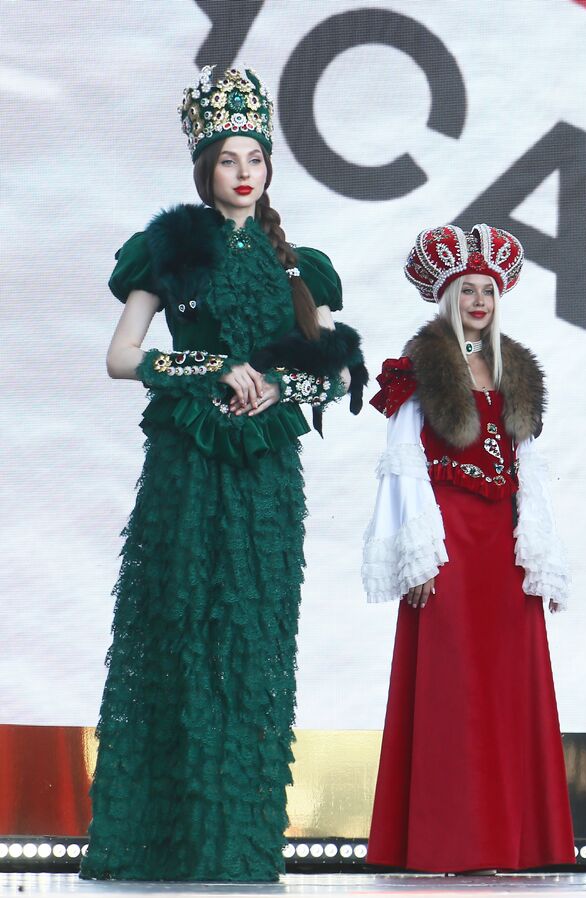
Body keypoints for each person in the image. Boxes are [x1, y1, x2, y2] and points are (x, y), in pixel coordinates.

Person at [81, 65, 367, 882]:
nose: (243, 173)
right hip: (188, 464)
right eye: (228, 159)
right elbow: (120, 357)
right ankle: (164, 839)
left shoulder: (296, 264)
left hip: (267, 476)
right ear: (205, 169)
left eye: (256, 159)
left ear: (270, 169)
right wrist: (207, 367)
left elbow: (336, 375)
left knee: (254, 641)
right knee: (180, 629)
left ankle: (240, 844)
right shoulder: (173, 246)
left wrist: (280, 381)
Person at [362, 223, 575, 873]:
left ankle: (509, 842)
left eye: (488, 289)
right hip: (451, 539)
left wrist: (539, 554)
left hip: (501, 549)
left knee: (507, 690)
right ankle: (446, 839)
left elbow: (528, 466)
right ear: (448, 295)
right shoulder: (422, 363)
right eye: (467, 288)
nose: (479, 298)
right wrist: (420, 553)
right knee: (451, 689)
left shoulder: (513, 370)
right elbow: (403, 460)